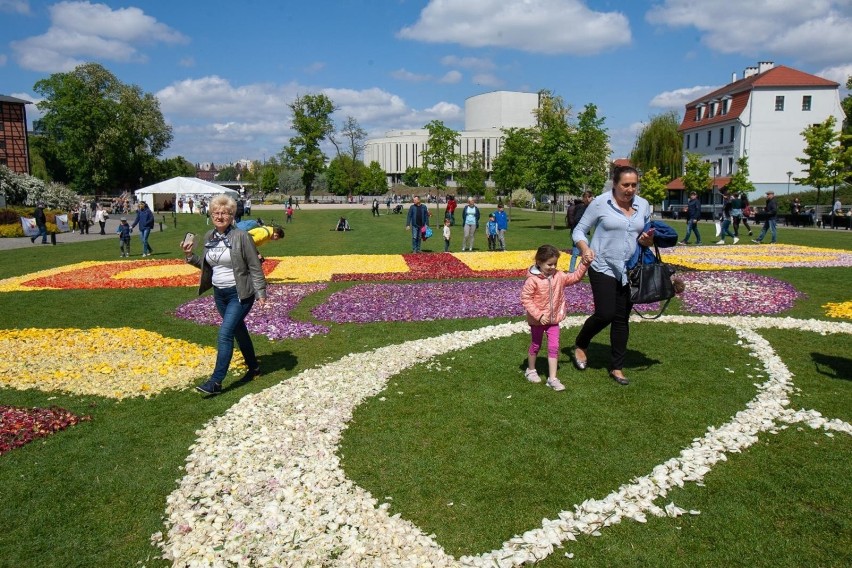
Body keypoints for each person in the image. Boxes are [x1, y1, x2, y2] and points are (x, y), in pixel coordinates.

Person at [571, 165, 654, 386]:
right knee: (606, 313)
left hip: (629, 268)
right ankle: (581, 343)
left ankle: (617, 367)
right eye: (625, 185)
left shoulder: (643, 205)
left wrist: (647, 240)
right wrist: (584, 248)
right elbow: (579, 230)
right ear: (615, 184)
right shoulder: (600, 202)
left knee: (621, 319)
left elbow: (644, 235)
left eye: (634, 185)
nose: (630, 189)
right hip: (602, 264)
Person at [181, 194, 266, 395]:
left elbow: (255, 265)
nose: (220, 216)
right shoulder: (210, 236)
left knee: (225, 333)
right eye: (216, 212)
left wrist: (261, 292)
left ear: (232, 215)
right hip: (220, 294)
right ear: (211, 215)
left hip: (240, 293)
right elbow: (207, 263)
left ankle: (216, 381)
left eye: (224, 213)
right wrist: (189, 255)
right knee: (238, 331)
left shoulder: (241, 236)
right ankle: (254, 368)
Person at [521, 244, 590, 392]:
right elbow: (526, 298)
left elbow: (575, 277)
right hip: (538, 321)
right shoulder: (533, 280)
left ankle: (552, 378)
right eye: (549, 264)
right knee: (536, 344)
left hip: (554, 321)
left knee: (553, 347)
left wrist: (585, 264)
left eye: (555, 264)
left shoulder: (559, 276)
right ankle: (531, 370)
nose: (553, 267)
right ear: (539, 262)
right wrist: (539, 315)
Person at [568, 191, 593, 269]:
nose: (592, 199)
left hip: (582, 232)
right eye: (591, 197)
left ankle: (581, 269)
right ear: (587, 198)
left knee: (585, 251)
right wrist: (585, 223)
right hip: (579, 232)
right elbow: (576, 218)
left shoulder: (587, 207)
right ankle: (572, 270)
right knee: (576, 252)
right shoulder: (582, 207)